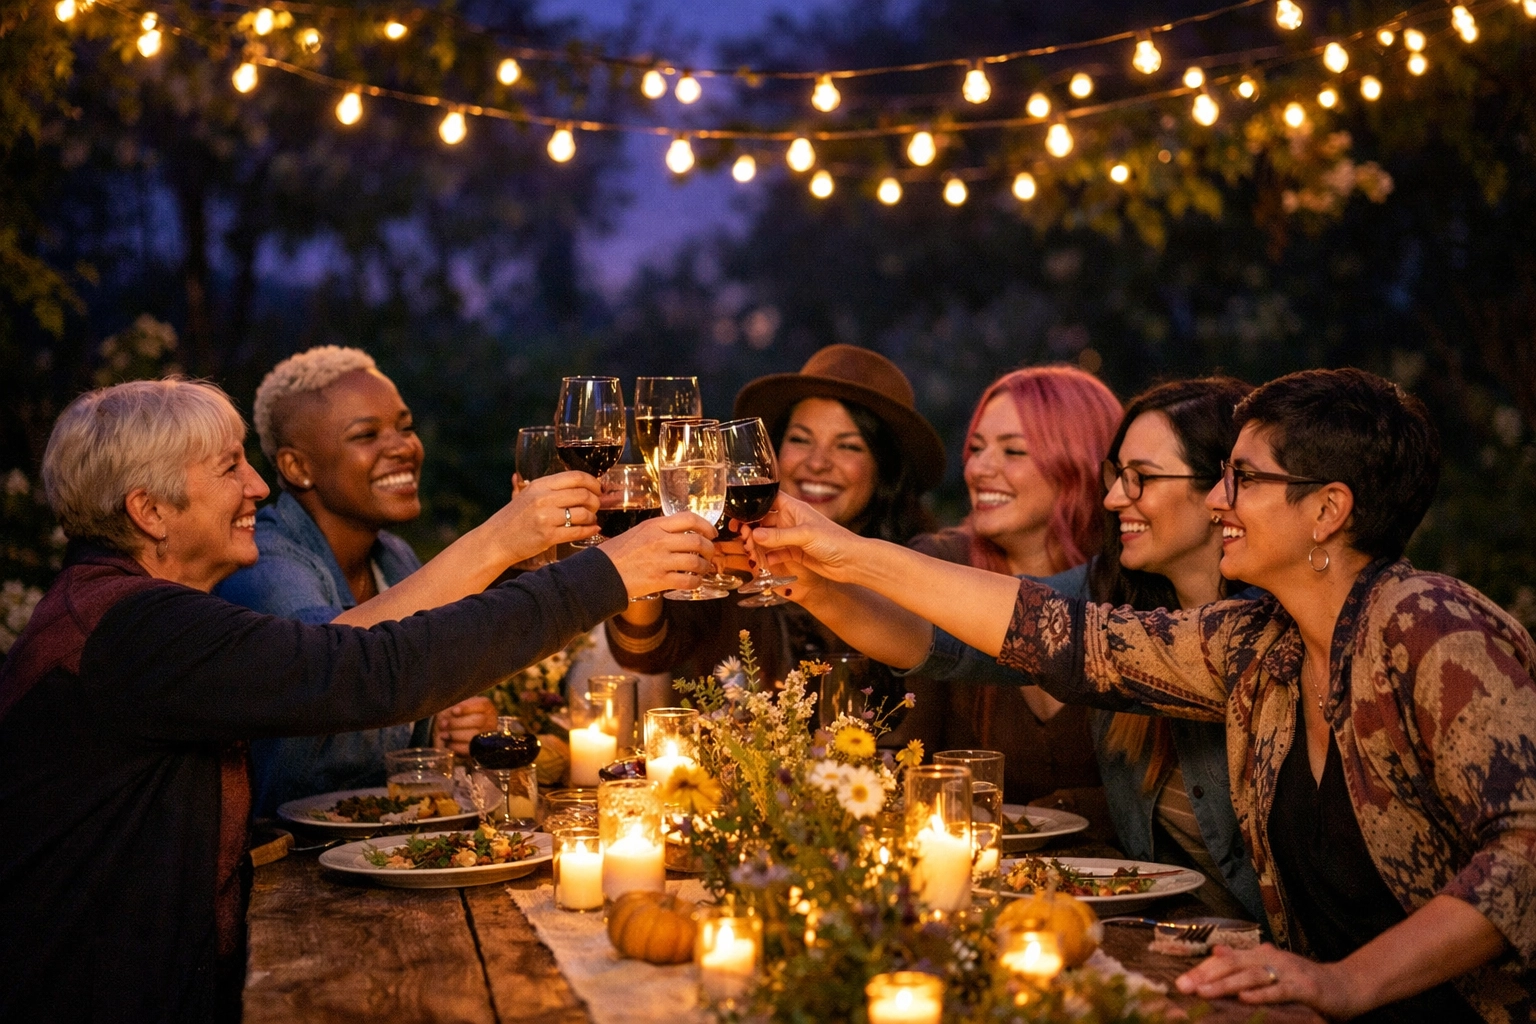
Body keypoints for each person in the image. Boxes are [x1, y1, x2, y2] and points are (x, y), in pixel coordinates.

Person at [748, 368, 1533, 1021]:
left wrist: (1348, 980)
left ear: (1328, 509)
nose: (1221, 500)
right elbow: (1056, 636)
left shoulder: (1436, 627)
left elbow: (1526, 853)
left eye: (1245, 479)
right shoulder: (1257, 641)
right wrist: (836, 559)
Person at [0, 378, 713, 1022]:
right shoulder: (137, 628)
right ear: (149, 511)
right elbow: (362, 670)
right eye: (230, 468)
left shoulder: (122, 611)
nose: (256, 487)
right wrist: (601, 578)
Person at [900, 377, 1266, 923]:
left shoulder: (1268, 629)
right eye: (1117, 476)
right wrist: (819, 565)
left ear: (1221, 491)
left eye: (1139, 477)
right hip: (1159, 926)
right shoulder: (1112, 588)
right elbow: (944, 641)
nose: (1115, 497)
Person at [217, 347, 594, 815]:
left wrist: (450, 722)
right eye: (366, 435)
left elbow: (419, 672)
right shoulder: (265, 566)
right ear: (298, 468)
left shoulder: (394, 557)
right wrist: (501, 540)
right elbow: (335, 669)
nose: (402, 447)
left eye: (406, 427)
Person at [606, 344, 942, 695]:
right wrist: (637, 556)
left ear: (885, 470)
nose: (817, 463)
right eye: (800, 440)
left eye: (848, 446)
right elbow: (642, 654)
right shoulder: (733, 555)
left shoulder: (925, 563)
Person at [895, 366, 1119, 811]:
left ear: (1080, 464)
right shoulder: (943, 566)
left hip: (1127, 876)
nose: (980, 469)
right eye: (976, 449)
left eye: (1013, 451)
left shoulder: (1129, 585)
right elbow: (913, 769)